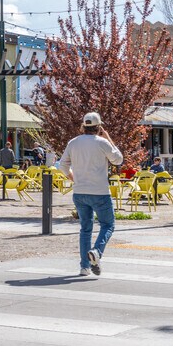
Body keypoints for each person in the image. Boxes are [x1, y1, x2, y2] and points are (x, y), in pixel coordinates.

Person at [59, 111, 123, 277]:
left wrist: (73, 179)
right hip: (100, 192)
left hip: (79, 192)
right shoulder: (102, 142)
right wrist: (108, 138)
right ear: (99, 127)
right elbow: (118, 159)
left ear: (83, 126)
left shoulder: (73, 143)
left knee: (85, 229)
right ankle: (96, 251)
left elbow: (62, 166)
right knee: (108, 225)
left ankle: (84, 267)